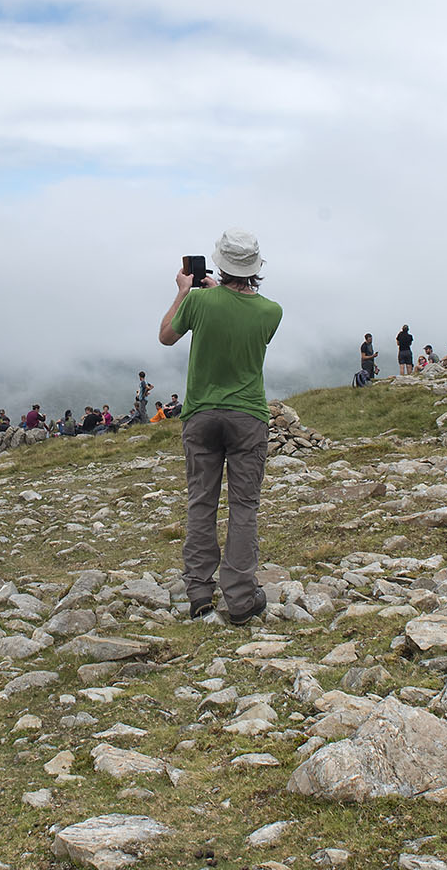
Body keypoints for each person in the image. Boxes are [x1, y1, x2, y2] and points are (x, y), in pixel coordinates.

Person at [159, 227, 282, 625]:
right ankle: (242, 598)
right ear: (254, 268)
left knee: (202, 502)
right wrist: (218, 292)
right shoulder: (271, 312)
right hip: (248, 418)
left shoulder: (198, 302)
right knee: (244, 506)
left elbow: (165, 337)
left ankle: (198, 592)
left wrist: (183, 291)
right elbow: (241, 319)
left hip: (201, 415)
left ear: (220, 264)